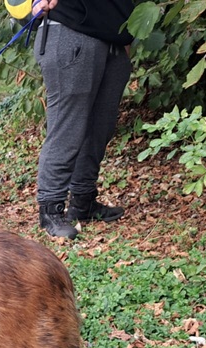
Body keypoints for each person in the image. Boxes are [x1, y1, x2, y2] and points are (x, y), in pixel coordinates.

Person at [32, 0, 136, 239]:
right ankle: (51, 209)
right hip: (70, 31)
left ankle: (83, 202)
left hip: (112, 40)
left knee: (100, 128)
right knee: (67, 127)